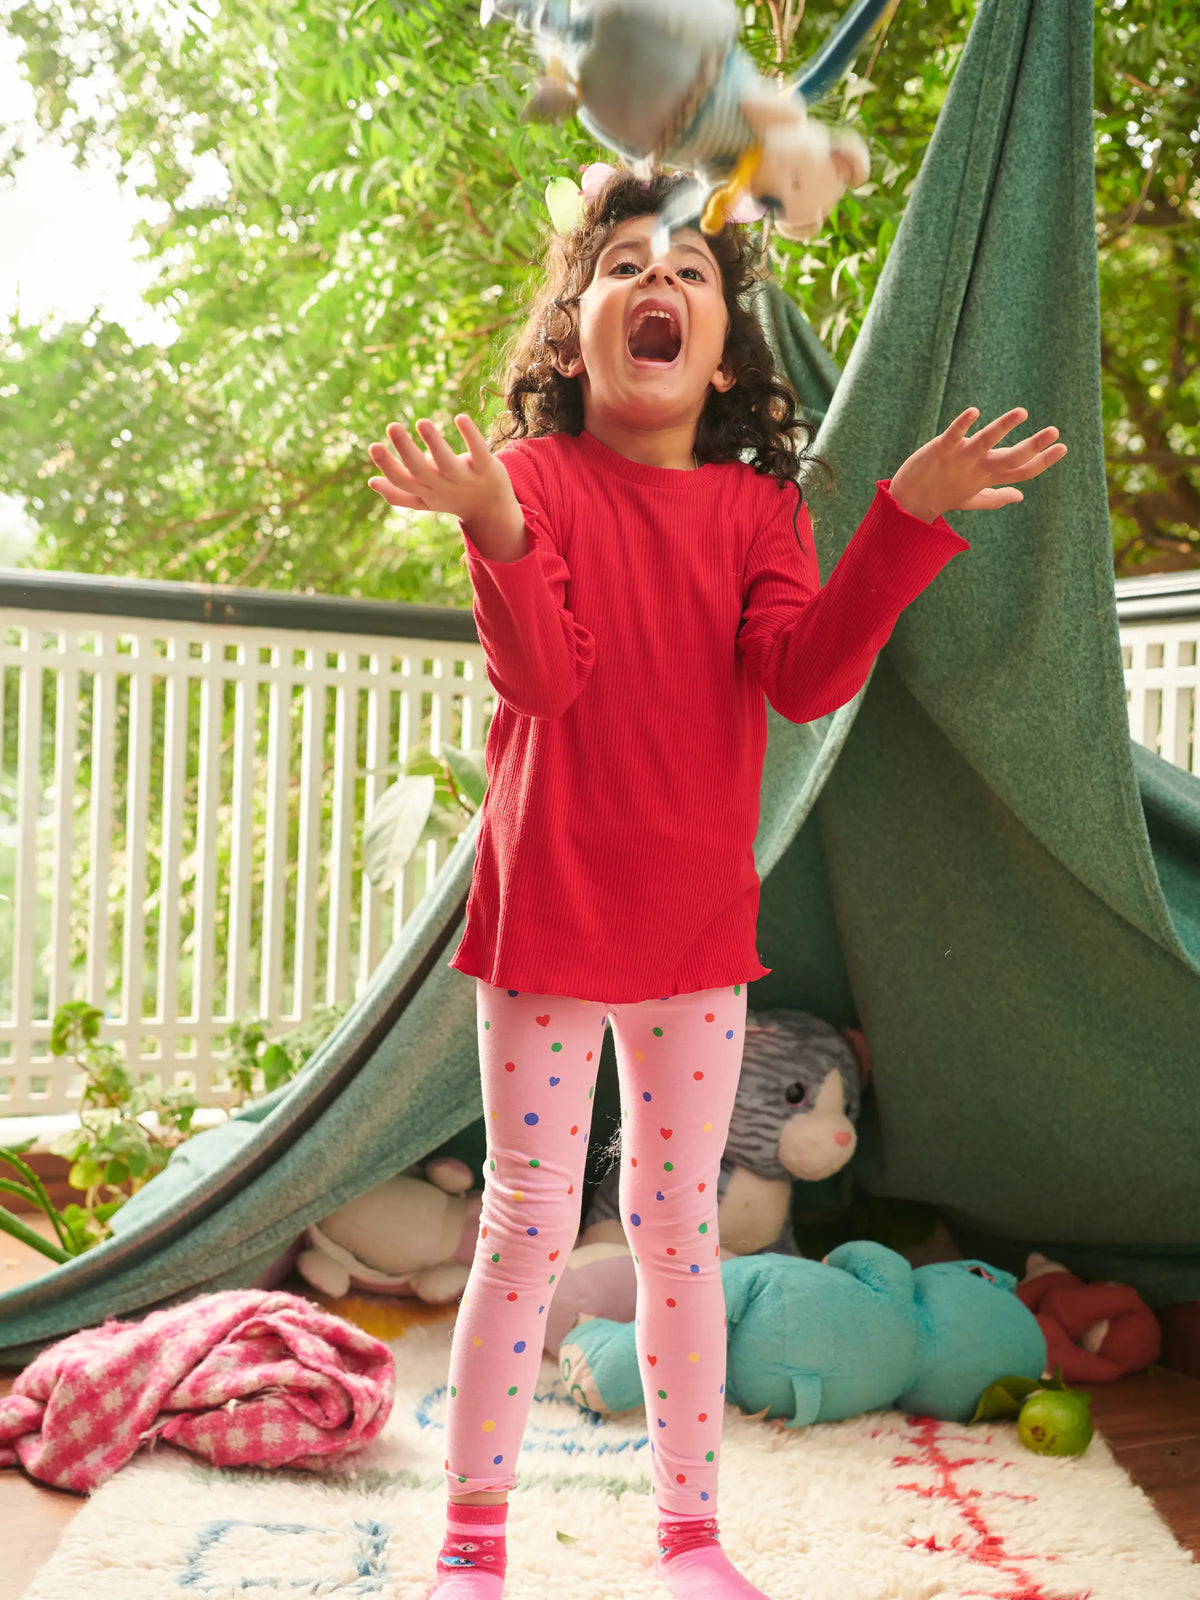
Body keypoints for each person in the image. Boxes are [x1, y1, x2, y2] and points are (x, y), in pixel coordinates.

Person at [366, 169, 1066, 1600]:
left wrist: (904, 519)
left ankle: (692, 1540)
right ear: (575, 333)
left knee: (677, 1237)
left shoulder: (759, 513)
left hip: (694, 931)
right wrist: (496, 529)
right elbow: (542, 678)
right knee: (525, 1224)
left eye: (689, 268)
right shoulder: (534, 485)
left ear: (726, 352)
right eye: (624, 264)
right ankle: (471, 1543)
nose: (660, 282)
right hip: (550, 911)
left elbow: (806, 678)